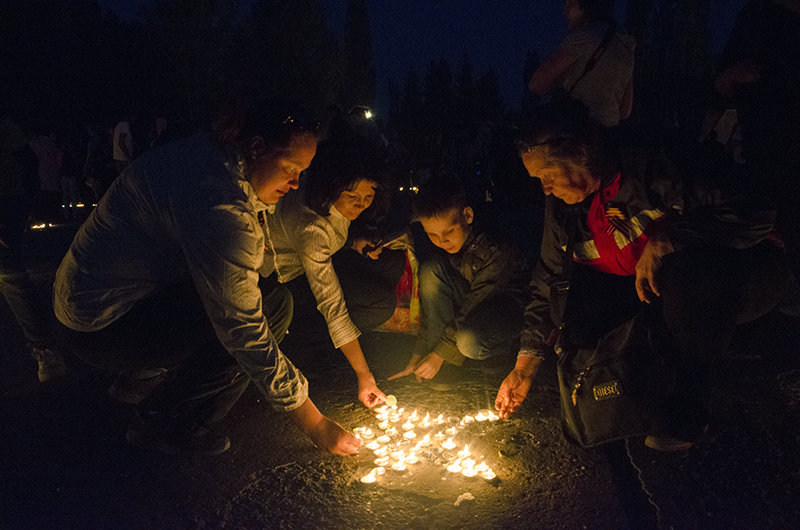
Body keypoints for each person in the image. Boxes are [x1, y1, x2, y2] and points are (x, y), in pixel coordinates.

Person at [53, 100, 360, 457]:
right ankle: (165, 417)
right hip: (102, 323)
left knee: (263, 294)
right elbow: (242, 327)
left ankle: (140, 376)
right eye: (291, 167)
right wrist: (315, 423)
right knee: (271, 308)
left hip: (86, 301)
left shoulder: (211, 153)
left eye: (303, 171)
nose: (295, 183)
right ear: (257, 148)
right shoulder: (220, 202)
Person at [494, 108, 793, 451]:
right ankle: (632, 393)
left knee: (690, 273)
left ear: (580, 152)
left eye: (546, 175)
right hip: (648, 293)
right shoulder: (565, 208)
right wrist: (525, 364)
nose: (545, 190)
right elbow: (548, 277)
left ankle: (687, 408)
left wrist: (669, 239)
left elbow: (756, 209)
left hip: (741, 274)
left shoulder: (654, 165)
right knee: (579, 303)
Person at [259, 131, 393, 408]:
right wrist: (364, 374)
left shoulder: (329, 204)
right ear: (331, 187)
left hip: (308, 264)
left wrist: (354, 242)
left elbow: (336, 228)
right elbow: (332, 305)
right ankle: (297, 347)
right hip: (282, 280)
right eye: (352, 196)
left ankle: (330, 344)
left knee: (384, 284)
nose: (361, 204)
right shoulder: (311, 228)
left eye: (368, 196)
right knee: (360, 307)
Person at [389, 178, 531, 388]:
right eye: (432, 235)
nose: (442, 241)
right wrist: (420, 352)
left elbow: (475, 303)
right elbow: (432, 307)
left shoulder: (494, 249)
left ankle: (498, 351)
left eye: (449, 232)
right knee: (431, 271)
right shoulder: (442, 247)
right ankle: (444, 362)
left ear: (468, 215)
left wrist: (439, 355)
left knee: (469, 342)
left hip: (507, 304)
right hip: (473, 295)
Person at [714, 0, 800, 284]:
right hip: (766, 144)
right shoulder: (755, 17)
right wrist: (734, 74)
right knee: (773, 220)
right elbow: (721, 83)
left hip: (775, 143)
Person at [0, 115, 66, 382]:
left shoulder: (3, 124)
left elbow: (27, 160)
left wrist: (26, 202)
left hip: (6, 200)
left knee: (7, 271)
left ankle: (45, 349)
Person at [528, 0, 635, 127]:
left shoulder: (583, 37)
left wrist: (561, 89)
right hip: (606, 137)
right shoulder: (626, 45)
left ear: (587, 5)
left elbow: (537, 83)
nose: (564, 11)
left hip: (573, 133)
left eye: (571, 4)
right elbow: (625, 110)